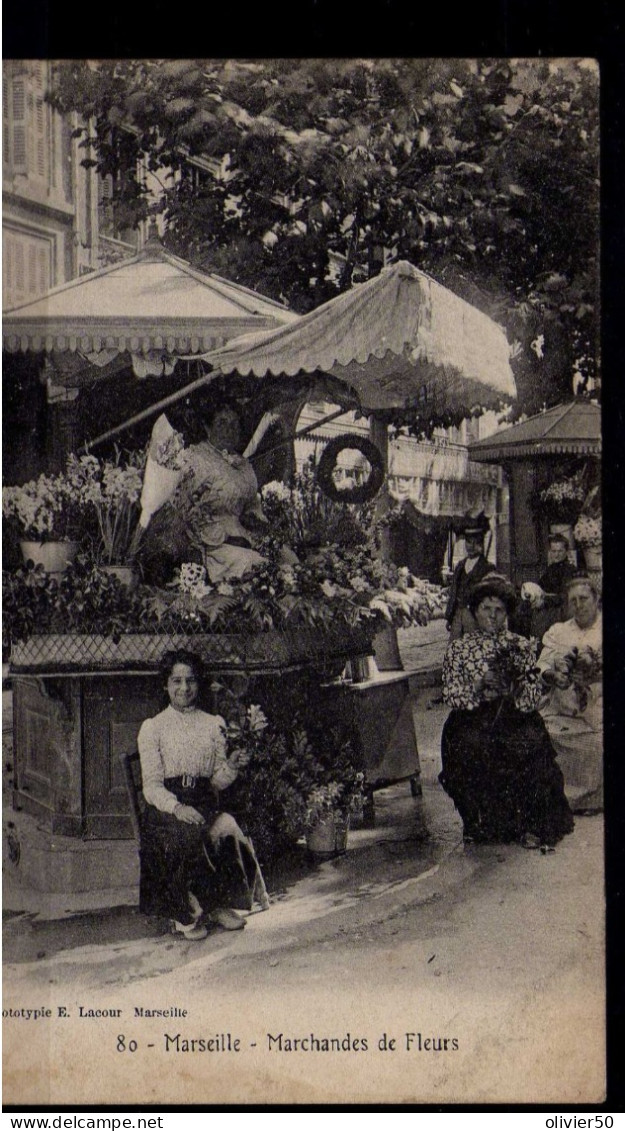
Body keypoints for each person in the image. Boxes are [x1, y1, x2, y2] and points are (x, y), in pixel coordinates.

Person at [439, 574, 574, 849]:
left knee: (529, 747)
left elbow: (533, 695)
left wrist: (515, 690)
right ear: (474, 612)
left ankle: (529, 824)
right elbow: (451, 695)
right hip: (472, 716)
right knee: (469, 745)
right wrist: (478, 685)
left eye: (499, 610)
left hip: (513, 715)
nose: (492, 616)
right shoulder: (458, 649)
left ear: (507, 614)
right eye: (486, 609)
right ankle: (482, 823)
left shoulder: (520, 645)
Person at [137, 650, 262, 939]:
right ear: (165, 685)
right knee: (190, 833)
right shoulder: (153, 728)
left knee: (223, 825)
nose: (184, 689)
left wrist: (230, 766)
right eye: (176, 681)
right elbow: (152, 787)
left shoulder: (212, 724)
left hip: (203, 801)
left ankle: (217, 906)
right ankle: (188, 913)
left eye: (191, 681)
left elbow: (215, 784)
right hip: (166, 809)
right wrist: (178, 807)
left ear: (198, 684)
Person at [140, 403, 267, 586]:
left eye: (234, 424)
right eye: (222, 423)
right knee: (252, 564)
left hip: (244, 538)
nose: (229, 430)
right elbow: (182, 509)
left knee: (285, 558)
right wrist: (225, 537)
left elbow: (252, 505)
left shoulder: (244, 465)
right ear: (208, 427)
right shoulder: (196, 459)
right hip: (209, 546)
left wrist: (257, 523)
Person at [538, 575, 603, 813]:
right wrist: (553, 676)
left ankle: (590, 800)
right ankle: (561, 800)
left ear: (596, 599)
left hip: (597, 709)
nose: (579, 605)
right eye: (573, 600)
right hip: (561, 709)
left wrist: (594, 676)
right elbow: (542, 665)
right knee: (546, 738)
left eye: (584, 598)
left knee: (597, 744)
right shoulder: (558, 631)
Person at [444, 512, 497, 639]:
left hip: (475, 620)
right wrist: (450, 616)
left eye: (476, 542)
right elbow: (454, 592)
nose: (471, 546)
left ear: (481, 544)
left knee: (473, 653)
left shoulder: (487, 568)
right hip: (457, 619)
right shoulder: (460, 566)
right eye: (468, 542)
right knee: (454, 652)